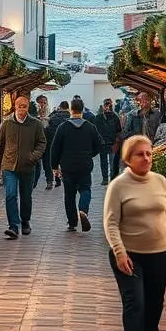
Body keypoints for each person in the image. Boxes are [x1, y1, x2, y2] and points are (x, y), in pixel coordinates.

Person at [103, 135, 166, 331]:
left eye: (149, 153)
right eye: (140, 154)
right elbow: (110, 223)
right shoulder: (118, 185)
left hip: (158, 253)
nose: (146, 158)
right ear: (128, 159)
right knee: (135, 303)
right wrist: (119, 253)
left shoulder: (160, 181)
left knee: (154, 303)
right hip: (129, 256)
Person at [0, 95, 46, 240]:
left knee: (26, 196)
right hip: (9, 165)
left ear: (28, 107)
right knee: (11, 195)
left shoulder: (35, 124)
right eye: (19, 106)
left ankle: (25, 221)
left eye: (25, 106)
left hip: (28, 167)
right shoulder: (7, 123)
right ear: (15, 107)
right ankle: (13, 226)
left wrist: (33, 156)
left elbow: (42, 143)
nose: (22, 109)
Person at [50, 99, 103, 233]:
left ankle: (72, 223)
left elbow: (55, 148)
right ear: (82, 110)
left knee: (69, 194)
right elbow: (99, 145)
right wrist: (89, 154)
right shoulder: (90, 127)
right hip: (85, 164)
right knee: (85, 189)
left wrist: (54, 166)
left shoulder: (63, 127)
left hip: (67, 165)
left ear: (71, 110)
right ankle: (83, 210)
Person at [94, 97, 124, 185]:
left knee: (111, 162)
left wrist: (118, 141)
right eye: (106, 105)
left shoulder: (114, 116)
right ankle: (106, 178)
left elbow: (118, 130)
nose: (107, 107)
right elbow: (95, 130)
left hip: (112, 142)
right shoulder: (99, 117)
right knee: (105, 162)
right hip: (104, 143)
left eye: (108, 105)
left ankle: (111, 178)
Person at [44, 101, 71, 190]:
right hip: (65, 144)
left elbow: (46, 126)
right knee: (63, 162)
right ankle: (63, 179)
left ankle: (50, 181)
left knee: (50, 162)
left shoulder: (53, 117)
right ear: (68, 108)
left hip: (51, 142)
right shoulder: (70, 118)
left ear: (60, 107)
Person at [33, 95, 51, 190]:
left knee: (47, 162)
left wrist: (46, 118)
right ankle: (34, 182)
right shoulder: (34, 111)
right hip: (37, 140)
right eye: (41, 102)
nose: (43, 104)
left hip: (47, 139)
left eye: (44, 102)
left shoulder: (50, 112)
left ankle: (49, 181)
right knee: (37, 162)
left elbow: (49, 124)